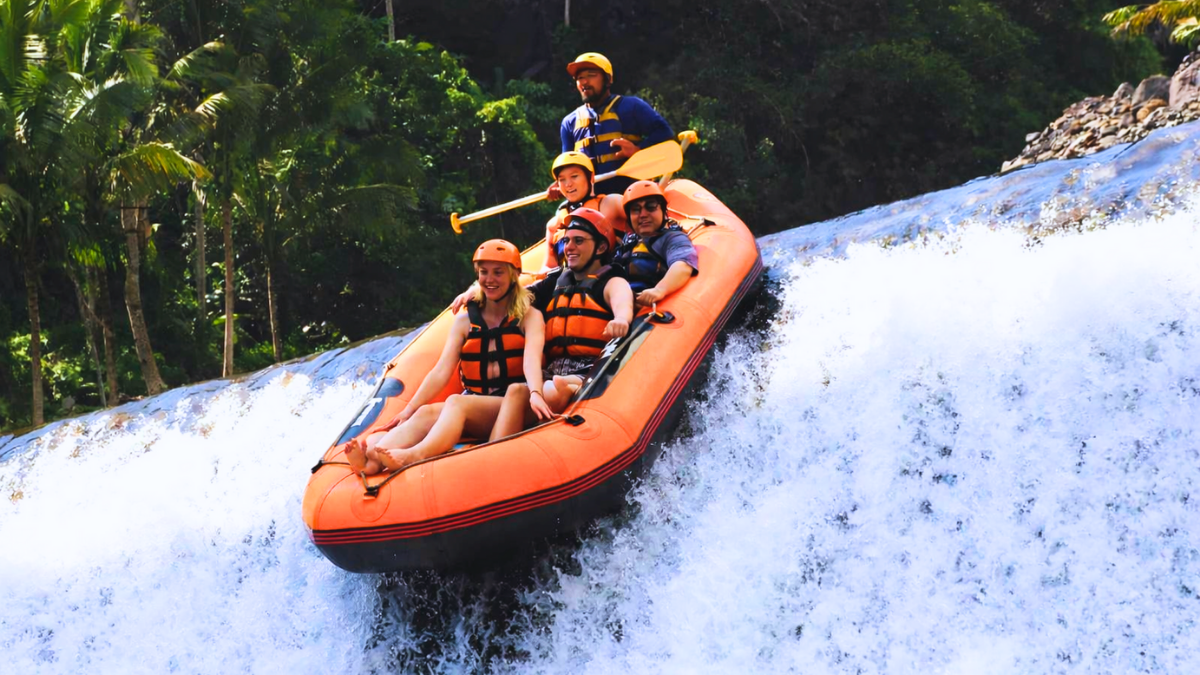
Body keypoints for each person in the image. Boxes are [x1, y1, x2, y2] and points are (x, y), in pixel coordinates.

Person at [345, 239, 555, 474]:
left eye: (498, 273)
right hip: (478, 405)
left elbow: (531, 362)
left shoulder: (530, 316)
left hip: (513, 404)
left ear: (514, 275)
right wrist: (410, 408)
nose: (490, 279)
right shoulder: (465, 321)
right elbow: (441, 371)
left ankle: (416, 455)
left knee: (456, 402)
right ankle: (371, 461)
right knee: (426, 412)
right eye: (484, 272)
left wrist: (536, 392)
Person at [488, 207, 634, 437]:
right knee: (522, 389)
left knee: (549, 389)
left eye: (578, 241)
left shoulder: (611, 281)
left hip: (591, 369)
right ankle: (497, 449)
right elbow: (514, 296)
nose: (569, 248)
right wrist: (477, 293)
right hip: (552, 372)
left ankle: (567, 388)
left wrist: (621, 320)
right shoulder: (557, 280)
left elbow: (622, 301)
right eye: (566, 241)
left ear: (602, 247)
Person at [556, 52, 674, 196]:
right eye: (580, 78)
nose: (584, 82)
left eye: (591, 75)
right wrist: (559, 183)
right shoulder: (569, 122)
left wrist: (638, 151)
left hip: (630, 194)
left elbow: (664, 133)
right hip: (590, 200)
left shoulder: (631, 106)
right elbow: (567, 166)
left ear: (607, 79)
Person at [612, 180, 698, 309]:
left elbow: (683, 266)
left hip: (651, 308)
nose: (643, 215)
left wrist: (659, 290)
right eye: (636, 210)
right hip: (621, 309)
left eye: (650, 207)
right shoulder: (626, 244)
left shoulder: (673, 238)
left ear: (663, 212)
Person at [542, 151, 626, 273]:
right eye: (562, 180)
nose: (568, 184)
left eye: (574, 176)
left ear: (591, 177)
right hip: (571, 284)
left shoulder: (612, 204)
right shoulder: (553, 225)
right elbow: (549, 266)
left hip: (609, 277)